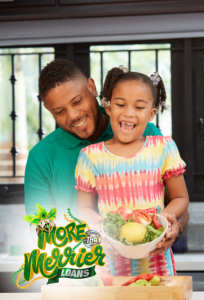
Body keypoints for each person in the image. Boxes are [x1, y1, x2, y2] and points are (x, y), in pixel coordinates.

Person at [24, 59, 189, 254]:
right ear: (47, 109)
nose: (73, 115)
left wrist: (174, 229)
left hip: (147, 265)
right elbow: (41, 230)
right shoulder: (41, 157)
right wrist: (100, 240)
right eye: (59, 111)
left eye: (77, 101)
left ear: (91, 87)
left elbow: (177, 203)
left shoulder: (147, 136)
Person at [75, 66, 189, 276]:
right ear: (108, 107)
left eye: (139, 107)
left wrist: (162, 221)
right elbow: (83, 208)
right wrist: (100, 226)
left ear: (151, 113)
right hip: (109, 263)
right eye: (120, 104)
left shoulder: (163, 148)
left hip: (156, 261)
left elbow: (181, 197)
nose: (128, 112)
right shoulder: (89, 156)